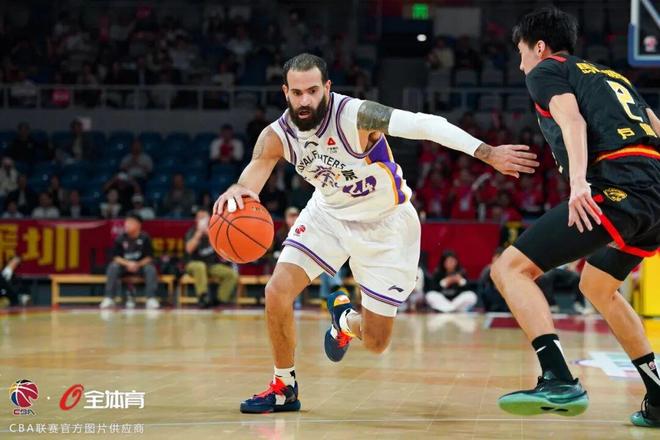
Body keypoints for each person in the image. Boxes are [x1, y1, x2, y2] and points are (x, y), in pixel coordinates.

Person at [212, 53, 538, 413]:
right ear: (285, 92)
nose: (305, 100)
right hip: (328, 215)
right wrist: (239, 189)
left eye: (313, 91)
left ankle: (345, 322)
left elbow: (424, 124)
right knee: (276, 291)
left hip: (387, 226)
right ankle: (283, 387)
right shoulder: (277, 135)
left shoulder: (356, 116)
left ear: (327, 88)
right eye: (297, 93)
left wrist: (487, 152)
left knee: (377, 341)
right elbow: (254, 173)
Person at [490, 7, 660, 426]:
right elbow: (656, 127)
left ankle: (558, 379)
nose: (521, 64)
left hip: (619, 186)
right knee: (597, 285)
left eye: (521, 52)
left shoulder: (548, 70)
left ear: (540, 47)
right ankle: (659, 395)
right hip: (654, 192)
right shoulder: (614, 77)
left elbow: (571, 119)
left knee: (509, 269)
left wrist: (579, 183)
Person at [100, 213, 159, 310]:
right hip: (124, 267)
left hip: (140, 267)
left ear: (138, 225)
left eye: (130, 223)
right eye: (126, 223)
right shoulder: (120, 238)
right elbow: (115, 257)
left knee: (151, 269)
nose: (126, 225)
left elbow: (149, 257)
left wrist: (137, 264)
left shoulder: (145, 238)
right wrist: (128, 264)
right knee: (113, 267)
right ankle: (109, 298)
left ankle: (151, 298)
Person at [184, 209, 238, 308]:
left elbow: (221, 248)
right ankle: (202, 297)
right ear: (196, 220)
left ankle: (219, 300)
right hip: (193, 264)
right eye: (199, 217)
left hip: (210, 265)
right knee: (200, 266)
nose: (201, 220)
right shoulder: (192, 232)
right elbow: (189, 249)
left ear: (209, 219)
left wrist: (208, 233)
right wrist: (198, 234)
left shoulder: (214, 231)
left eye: (203, 217)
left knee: (231, 274)